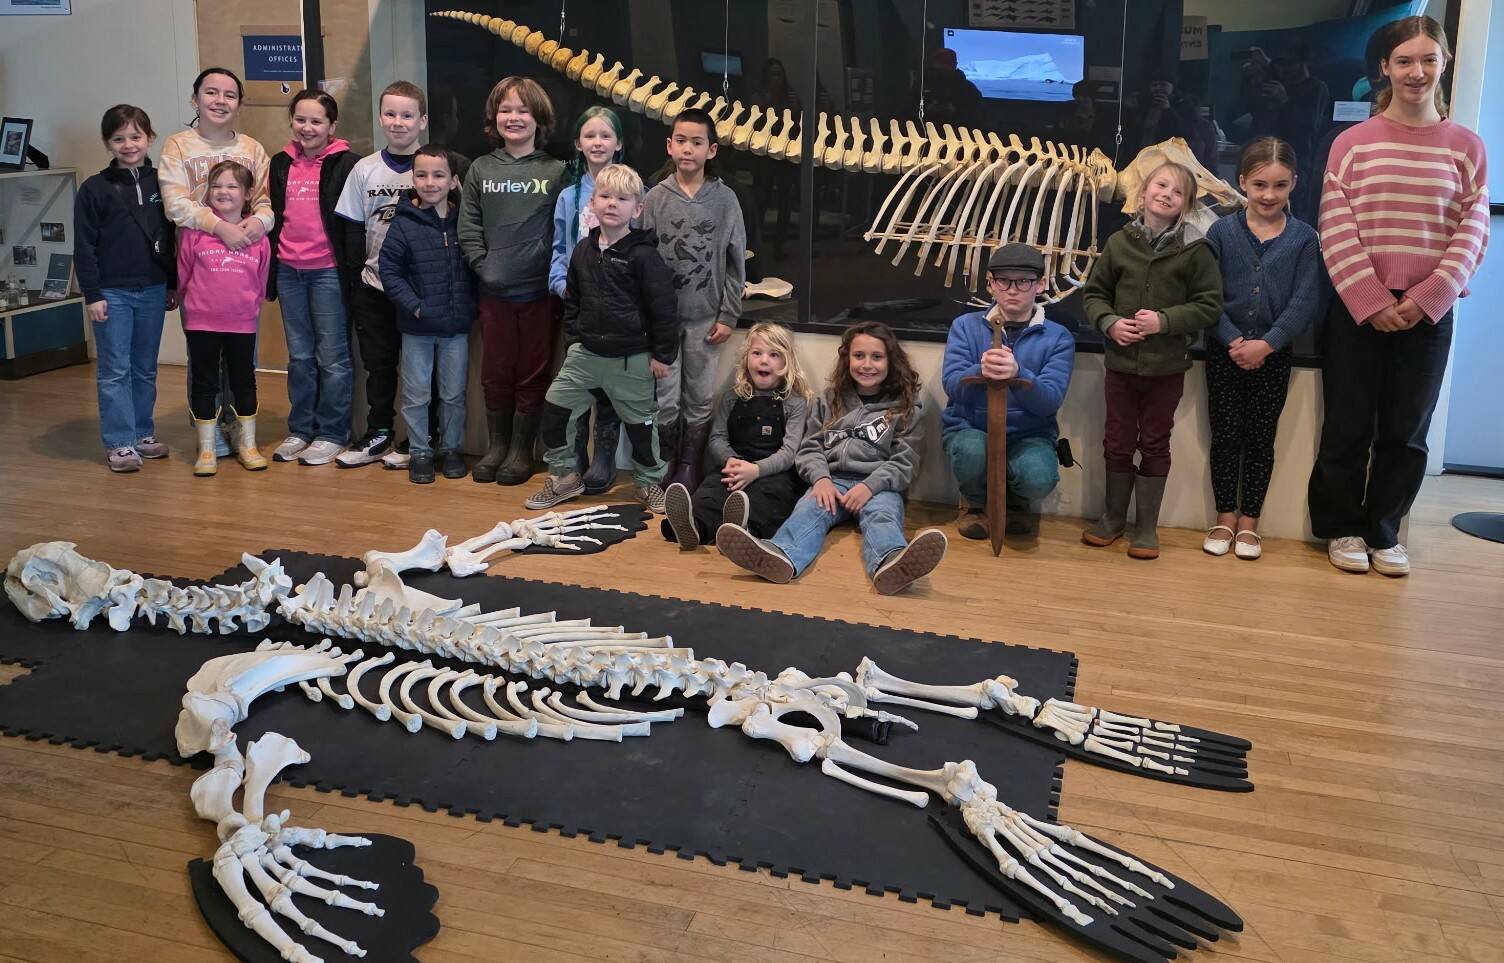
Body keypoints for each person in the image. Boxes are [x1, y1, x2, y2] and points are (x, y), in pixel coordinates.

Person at [1309, 16, 1489, 577]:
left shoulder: (1467, 147)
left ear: (1444, 63)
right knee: (1347, 424)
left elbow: (1473, 229)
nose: (1417, 72)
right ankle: (1341, 528)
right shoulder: (1352, 144)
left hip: (1428, 311)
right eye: (1405, 61)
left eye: (1428, 59)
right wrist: (1372, 300)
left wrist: (1430, 295)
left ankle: (1384, 532)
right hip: (1358, 308)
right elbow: (1335, 225)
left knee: (1407, 430)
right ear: (1385, 67)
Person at [716, 321, 948, 595]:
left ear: (891, 361)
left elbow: (905, 461)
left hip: (878, 486)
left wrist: (869, 487)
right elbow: (809, 447)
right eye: (859, 356)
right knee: (807, 510)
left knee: (883, 517)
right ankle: (780, 555)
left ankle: (891, 563)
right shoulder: (830, 399)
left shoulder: (906, 406)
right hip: (831, 481)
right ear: (847, 358)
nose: (867, 364)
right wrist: (821, 479)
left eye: (876, 357)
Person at [1081, 161, 1222, 559]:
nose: (1166, 195)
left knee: (1155, 443)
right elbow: (1094, 295)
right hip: (1120, 366)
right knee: (1117, 440)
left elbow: (1209, 305)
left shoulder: (1196, 250)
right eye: (1160, 185)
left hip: (1166, 369)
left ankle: (1145, 528)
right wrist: (1109, 323)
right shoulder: (1118, 243)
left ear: (1187, 205)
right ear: (1143, 192)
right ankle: (1112, 519)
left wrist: (1165, 321)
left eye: (1178, 192)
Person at [524, 164, 678, 513]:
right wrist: (574, 343)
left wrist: (662, 355)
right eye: (605, 196)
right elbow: (573, 300)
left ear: (637, 209)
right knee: (556, 409)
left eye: (622, 199)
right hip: (586, 354)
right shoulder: (583, 250)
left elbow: (665, 308)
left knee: (641, 427)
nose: (612, 204)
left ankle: (649, 483)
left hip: (631, 359)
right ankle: (564, 477)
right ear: (592, 203)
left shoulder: (644, 255)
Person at [1202, 138, 1321, 560]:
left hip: (1274, 356)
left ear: (1294, 185)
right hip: (1224, 352)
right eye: (1259, 185)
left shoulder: (1304, 239)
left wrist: (1266, 344)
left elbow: (1305, 300)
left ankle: (1250, 522)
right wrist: (1235, 340)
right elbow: (1207, 294)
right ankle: (1224, 516)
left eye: (1279, 185)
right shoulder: (1221, 232)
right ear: (1242, 183)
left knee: (1260, 438)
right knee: (1225, 435)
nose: (1269, 195)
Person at [158, 67, 273, 458]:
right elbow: (175, 204)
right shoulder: (178, 145)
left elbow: (265, 202)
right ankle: (209, 433)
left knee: (242, 360)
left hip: (242, 266)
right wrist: (219, 227)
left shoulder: (253, 149)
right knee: (204, 358)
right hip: (202, 267)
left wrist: (259, 222)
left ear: (239, 104)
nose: (220, 101)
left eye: (229, 94)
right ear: (195, 99)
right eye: (211, 92)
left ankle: (240, 428)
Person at [460, 76, 566, 486]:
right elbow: (469, 224)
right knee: (496, 371)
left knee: (532, 372)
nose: (514, 117)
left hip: (539, 294)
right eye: (506, 110)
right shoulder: (481, 169)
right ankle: (497, 446)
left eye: (523, 110)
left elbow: (563, 229)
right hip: (493, 293)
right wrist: (482, 265)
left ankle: (522, 450)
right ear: (494, 117)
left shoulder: (556, 171)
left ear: (539, 118)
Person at [641, 107, 748, 493]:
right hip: (664, 323)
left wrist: (729, 314)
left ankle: (689, 466)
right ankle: (667, 463)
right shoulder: (655, 198)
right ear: (669, 146)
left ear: (711, 150)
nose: (688, 149)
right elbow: (642, 259)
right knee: (666, 399)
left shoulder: (725, 200)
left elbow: (736, 262)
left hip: (706, 320)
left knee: (700, 396)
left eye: (697, 142)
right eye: (681, 141)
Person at [941, 242, 1075, 540]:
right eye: (1004, 280)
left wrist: (1019, 374)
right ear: (991, 284)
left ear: (1040, 284)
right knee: (970, 451)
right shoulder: (965, 327)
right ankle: (975, 502)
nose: (1013, 290)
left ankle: (1016, 503)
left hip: (1029, 433)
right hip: (971, 426)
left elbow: (1050, 400)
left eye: (1024, 281)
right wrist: (980, 370)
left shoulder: (1058, 337)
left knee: (1037, 476)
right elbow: (952, 385)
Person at [75, 104, 178, 473]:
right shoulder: (94, 189)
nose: (129, 144)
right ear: (108, 143)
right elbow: (83, 246)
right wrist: (93, 294)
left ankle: (142, 433)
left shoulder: (163, 182)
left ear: (150, 138)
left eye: (136, 136)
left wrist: (172, 283)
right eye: (119, 138)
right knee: (115, 369)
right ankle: (120, 442)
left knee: (145, 367)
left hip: (153, 288)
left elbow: (171, 237)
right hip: (111, 292)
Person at [334, 80, 429, 468]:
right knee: (379, 364)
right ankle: (379, 432)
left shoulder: (434, 167)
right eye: (390, 114)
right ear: (379, 117)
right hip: (373, 286)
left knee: (421, 369)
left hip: (420, 290)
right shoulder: (364, 169)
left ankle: (421, 437)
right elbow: (352, 231)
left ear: (422, 121)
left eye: (407, 115)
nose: (398, 122)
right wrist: (357, 281)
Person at [266, 89, 361, 467]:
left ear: (331, 126)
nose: (307, 127)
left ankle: (332, 432)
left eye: (316, 121)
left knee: (332, 357)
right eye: (300, 119)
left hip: (327, 272)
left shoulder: (347, 164)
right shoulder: (280, 163)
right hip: (289, 271)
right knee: (300, 356)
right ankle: (301, 428)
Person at [663, 322, 813, 551]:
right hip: (734, 466)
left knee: (767, 499)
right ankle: (695, 526)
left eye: (774, 355)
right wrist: (732, 462)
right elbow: (717, 439)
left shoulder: (794, 403)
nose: (764, 360)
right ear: (746, 359)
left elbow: (789, 453)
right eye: (757, 353)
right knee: (711, 493)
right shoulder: (732, 398)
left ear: (787, 362)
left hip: (774, 473)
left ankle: (745, 532)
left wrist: (756, 470)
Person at [378, 145, 475, 485]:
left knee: (453, 395)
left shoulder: (464, 221)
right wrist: (415, 306)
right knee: (417, 394)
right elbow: (389, 270)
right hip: (417, 327)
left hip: (456, 327)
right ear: (413, 179)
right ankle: (420, 451)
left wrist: (470, 305)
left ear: (453, 181)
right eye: (421, 175)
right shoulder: (404, 223)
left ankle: (451, 449)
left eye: (438, 175)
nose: (430, 182)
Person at [176, 161, 271, 476]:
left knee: (243, 380)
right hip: (201, 321)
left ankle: (248, 444)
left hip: (242, 321)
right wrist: (192, 304)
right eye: (216, 186)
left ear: (247, 194)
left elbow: (261, 279)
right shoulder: (194, 232)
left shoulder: (257, 236)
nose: (223, 192)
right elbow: (184, 273)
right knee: (204, 381)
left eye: (232, 186)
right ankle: (207, 448)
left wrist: (250, 305)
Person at [550, 105, 626, 495]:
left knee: (609, 388)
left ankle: (604, 458)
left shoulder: (633, 193)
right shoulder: (569, 196)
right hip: (578, 307)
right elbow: (559, 250)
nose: (598, 142)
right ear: (578, 143)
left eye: (605, 135)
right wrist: (562, 285)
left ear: (618, 143)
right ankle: (575, 456)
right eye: (590, 135)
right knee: (578, 383)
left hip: (618, 309)